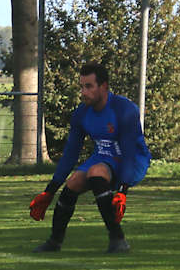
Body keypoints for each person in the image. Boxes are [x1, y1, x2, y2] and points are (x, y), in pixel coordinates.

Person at [29, 62, 151, 254]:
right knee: (74, 182)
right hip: (103, 158)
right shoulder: (81, 113)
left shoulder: (124, 109)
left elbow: (128, 151)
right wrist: (49, 191)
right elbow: (71, 153)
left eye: (89, 86)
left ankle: (117, 240)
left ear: (104, 86)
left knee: (96, 172)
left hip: (132, 161)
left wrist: (122, 190)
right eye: (82, 86)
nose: (83, 92)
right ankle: (54, 242)